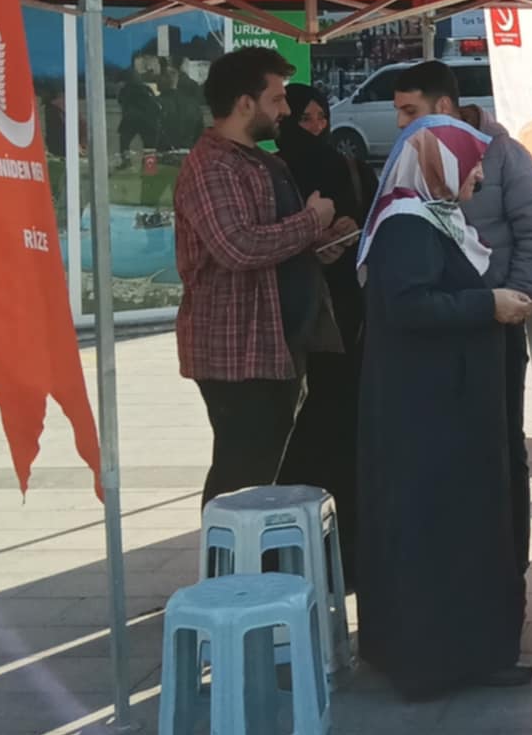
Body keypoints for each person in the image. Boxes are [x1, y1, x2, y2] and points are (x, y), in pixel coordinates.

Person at [354, 118, 532, 698]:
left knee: (461, 529)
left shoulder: (432, 216)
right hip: (428, 414)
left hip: (447, 406)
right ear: (440, 164)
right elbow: (411, 306)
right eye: (471, 160)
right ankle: (434, 662)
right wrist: (489, 306)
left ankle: (470, 653)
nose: (480, 175)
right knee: (438, 533)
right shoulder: (408, 225)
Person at [391, 60, 532, 651]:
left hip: (495, 328)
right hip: (450, 340)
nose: (402, 128)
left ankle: (506, 570)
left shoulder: (504, 156)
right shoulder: (412, 190)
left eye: (411, 113)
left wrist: (509, 299)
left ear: (443, 108)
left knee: (502, 451)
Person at [173, 48, 345, 504]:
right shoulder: (212, 166)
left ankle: (249, 566)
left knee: (261, 470)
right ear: (245, 103)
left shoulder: (260, 161)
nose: (285, 110)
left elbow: (272, 243)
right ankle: (228, 573)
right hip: (237, 348)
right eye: (277, 99)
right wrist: (310, 221)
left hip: (276, 342)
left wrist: (323, 243)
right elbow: (237, 246)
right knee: (241, 471)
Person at [274, 83, 373, 579]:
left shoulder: (349, 164)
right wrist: (313, 229)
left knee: (340, 423)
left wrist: (349, 226)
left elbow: (374, 218)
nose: (314, 127)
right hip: (296, 320)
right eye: (303, 117)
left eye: (319, 117)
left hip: (346, 314)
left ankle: (342, 545)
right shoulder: (273, 170)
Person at [118, 69, 161, 164]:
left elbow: (122, 104)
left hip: (131, 119)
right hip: (148, 121)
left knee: (124, 142)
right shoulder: (146, 89)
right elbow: (155, 103)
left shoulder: (125, 90)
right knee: (149, 147)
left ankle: (126, 163)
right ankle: (149, 168)